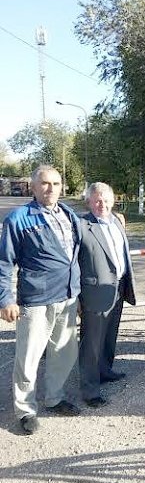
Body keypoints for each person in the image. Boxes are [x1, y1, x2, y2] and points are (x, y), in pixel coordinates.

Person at [0, 165, 82, 434]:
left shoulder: (69, 214)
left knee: (63, 352)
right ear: (33, 187)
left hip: (67, 296)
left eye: (56, 184)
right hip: (36, 299)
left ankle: (55, 397)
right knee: (29, 356)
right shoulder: (19, 219)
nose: (50, 189)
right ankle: (25, 409)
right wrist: (6, 299)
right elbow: (4, 263)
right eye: (44, 184)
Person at [78, 182, 136, 408]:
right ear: (89, 202)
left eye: (106, 200)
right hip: (93, 292)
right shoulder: (82, 225)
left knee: (109, 335)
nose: (102, 204)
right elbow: (74, 263)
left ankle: (104, 371)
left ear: (113, 201)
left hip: (118, 287)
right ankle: (90, 390)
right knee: (91, 342)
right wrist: (76, 298)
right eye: (97, 200)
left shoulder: (117, 221)